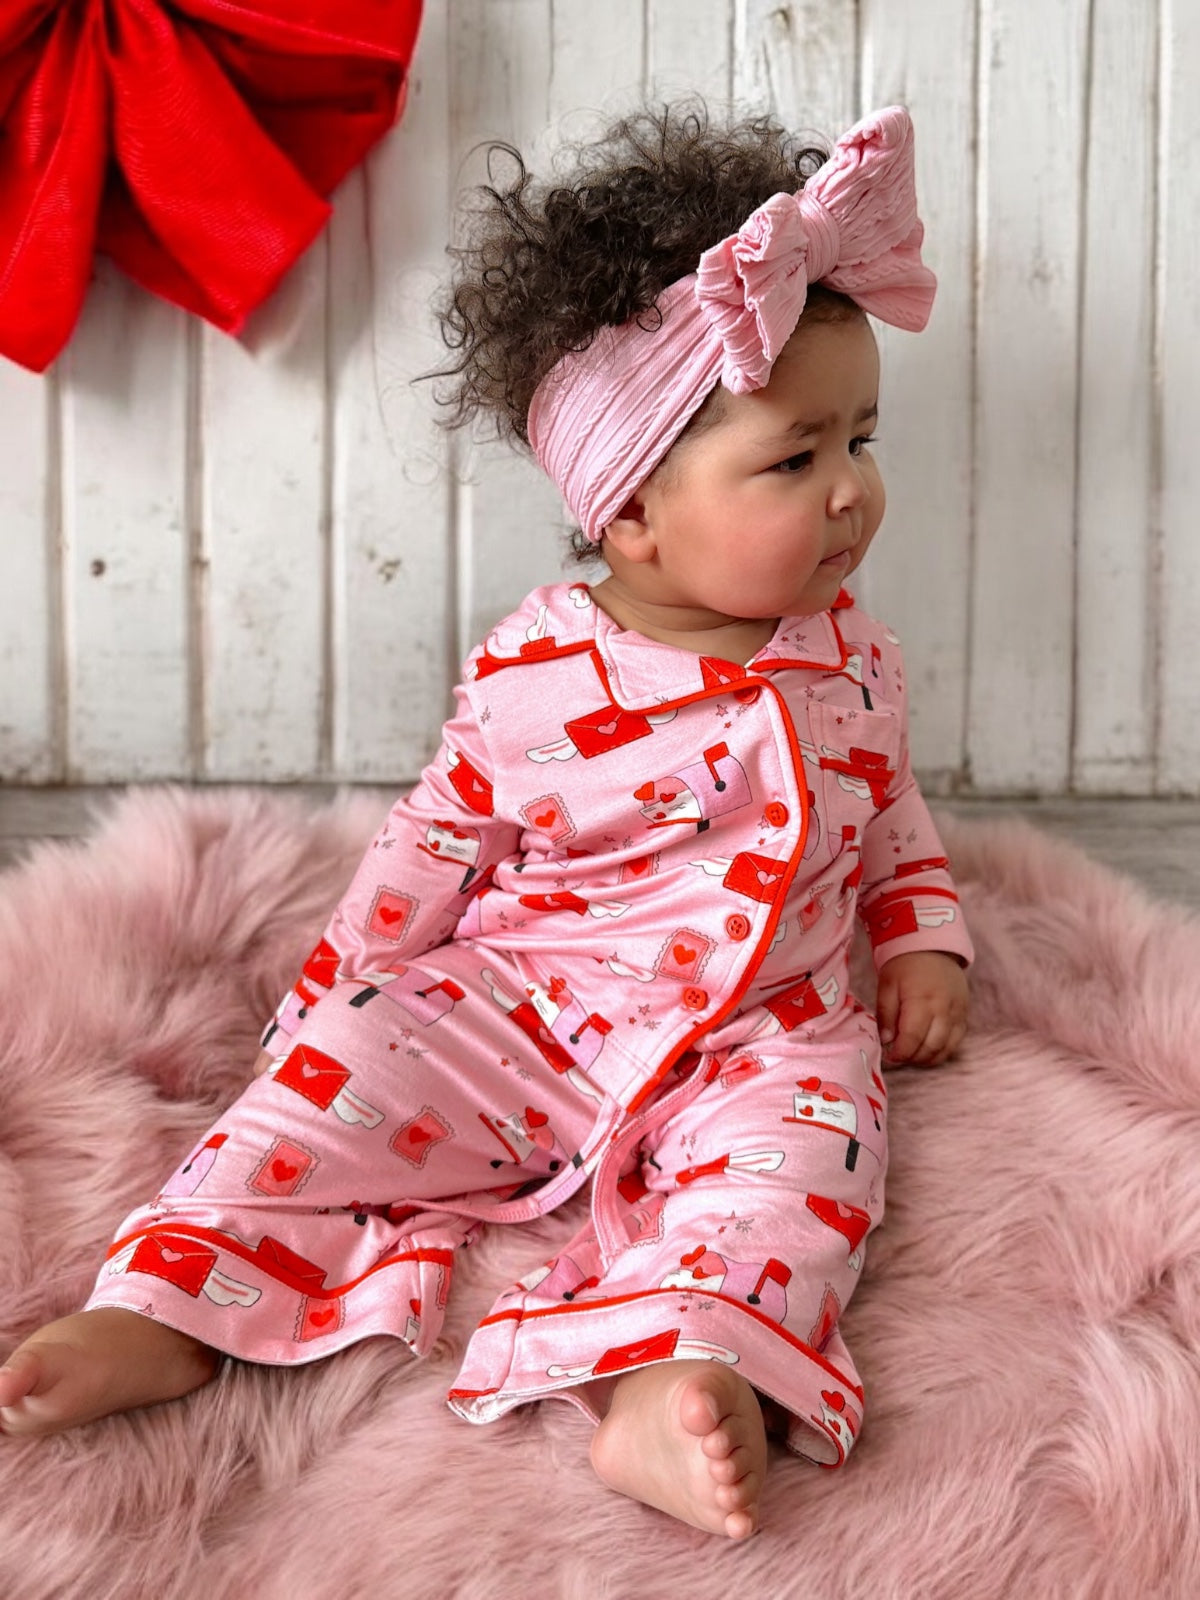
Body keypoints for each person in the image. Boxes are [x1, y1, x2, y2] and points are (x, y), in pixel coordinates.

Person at [0, 101, 971, 1541]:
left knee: (811, 1172)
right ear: (632, 514)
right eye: (796, 457)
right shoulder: (535, 678)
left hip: (763, 1031)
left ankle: (678, 1372)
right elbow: (430, 849)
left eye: (863, 440)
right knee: (339, 1084)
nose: (851, 491)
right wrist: (335, 998)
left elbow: (891, 818)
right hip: (528, 1004)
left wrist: (921, 940)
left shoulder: (851, 661)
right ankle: (175, 1297)